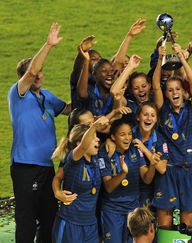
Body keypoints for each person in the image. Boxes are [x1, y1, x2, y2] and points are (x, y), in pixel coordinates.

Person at [8, 23, 71, 243]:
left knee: (49, 218)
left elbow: (70, 109)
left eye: (39, 72)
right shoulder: (18, 94)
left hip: (47, 167)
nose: (36, 75)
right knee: (26, 220)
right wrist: (48, 45)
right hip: (26, 167)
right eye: (31, 73)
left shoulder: (47, 96)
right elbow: (32, 70)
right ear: (23, 77)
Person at [151, 43, 192, 228]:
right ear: (166, 94)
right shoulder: (162, 110)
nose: (174, 92)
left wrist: (182, 58)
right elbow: (156, 86)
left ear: (184, 92)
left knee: (187, 225)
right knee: (165, 224)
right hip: (168, 171)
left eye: (177, 89)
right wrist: (160, 58)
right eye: (170, 90)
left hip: (190, 170)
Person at [51, 116, 108, 242]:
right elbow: (83, 146)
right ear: (79, 143)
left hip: (90, 225)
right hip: (71, 223)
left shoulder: (96, 159)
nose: (98, 139)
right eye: (94, 138)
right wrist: (93, 126)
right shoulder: (73, 159)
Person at [98, 118, 151, 242]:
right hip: (112, 209)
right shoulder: (105, 154)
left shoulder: (135, 150)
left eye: (129, 134)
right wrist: (123, 173)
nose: (127, 138)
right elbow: (109, 187)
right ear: (113, 137)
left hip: (133, 208)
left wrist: (153, 165)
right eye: (122, 135)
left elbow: (146, 179)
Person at [132, 102, 168, 206]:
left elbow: (162, 169)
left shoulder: (160, 140)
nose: (149, 118)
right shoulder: (129, 134)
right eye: (145, 114)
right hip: (129, 187)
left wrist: (144, 149)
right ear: (138, 117)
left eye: (153, 115)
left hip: (149, 188)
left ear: (156, 119)